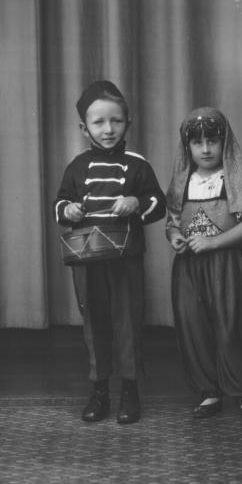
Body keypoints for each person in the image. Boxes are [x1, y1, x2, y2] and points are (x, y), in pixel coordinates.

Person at [54, 80, 166, 424]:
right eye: (99, 122)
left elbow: (157, 203)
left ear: (128, 123)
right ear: (83, 128)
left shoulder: (137, 164)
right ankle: (99, 390)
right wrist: (68, 210)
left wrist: (136, 202)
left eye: (116, 121)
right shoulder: (76, 166)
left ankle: (130, 392)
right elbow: (59, 203)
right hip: (87, 261)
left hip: (125, 258)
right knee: (95, 324)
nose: (108, 129)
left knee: (128, 323)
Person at [165, 107, 242, 425]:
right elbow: (170, 222)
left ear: (225, 143)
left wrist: (212, 243)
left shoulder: (233, 178)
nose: (206, 148)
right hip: (188, 268)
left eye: (213, 140)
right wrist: (175, 237)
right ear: (188, 147)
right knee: (194, 328)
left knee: (228, 329)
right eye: (197, 143)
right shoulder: (184, 180)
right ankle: (208, 390)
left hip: (225, 265)